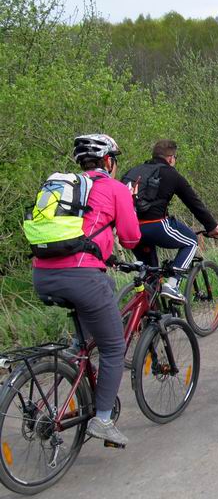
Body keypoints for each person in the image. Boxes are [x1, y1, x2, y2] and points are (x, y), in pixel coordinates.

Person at [32, 134, 141, 446]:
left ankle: (75, 353)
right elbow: (132, 238)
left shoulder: (66, 189)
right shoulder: (115, 189)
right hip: (80, 277)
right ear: (108, 161)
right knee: (113, 347)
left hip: (43, 274)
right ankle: (103, 420)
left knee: (104, 286)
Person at [124, 140, 218, 301]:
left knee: (151, 274)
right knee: (191, 241)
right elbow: (193, 202)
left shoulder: (134, 171)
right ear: (170, 158)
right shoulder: (171, 174)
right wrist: (212, 227)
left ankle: (150, 318)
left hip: (130, 230)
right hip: (155, 225)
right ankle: (173, 284)